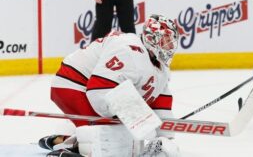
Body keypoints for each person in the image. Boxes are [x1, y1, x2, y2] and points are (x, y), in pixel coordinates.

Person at [38, 15, 181, 157]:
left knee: (129, 142)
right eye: (166, 40)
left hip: (93, 90)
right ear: (152, 38)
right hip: (73, 84)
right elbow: (100, 90)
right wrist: (141, 122)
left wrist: (165, 136)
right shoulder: (129, 50)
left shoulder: (161, 67)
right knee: (114, 141)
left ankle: (63, 139)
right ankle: (69, 150)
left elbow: (160, 101)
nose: (170, 46)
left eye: (171, 41)